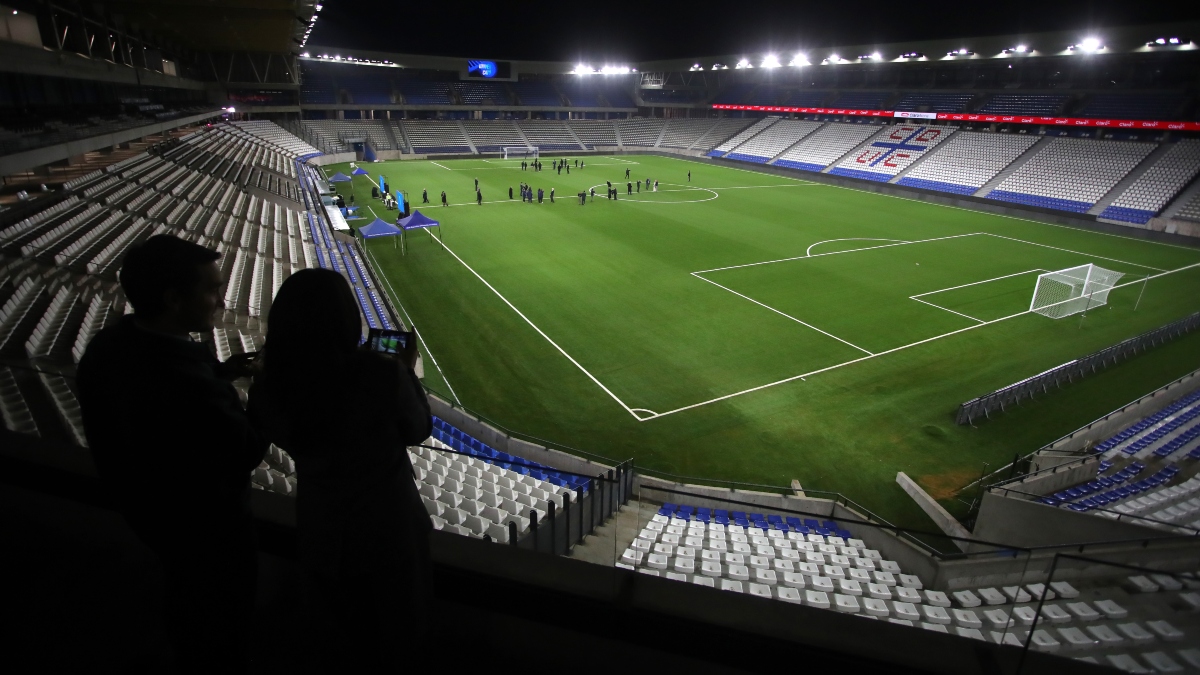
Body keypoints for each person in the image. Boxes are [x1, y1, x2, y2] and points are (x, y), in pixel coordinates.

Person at [77, 235, 267, 674]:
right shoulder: (181, 378)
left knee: (186, 604)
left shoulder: (109, 347)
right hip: (205, 529)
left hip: (147, 514)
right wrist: (264, 389)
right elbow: (247, 447)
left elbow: (157, 398)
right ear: (172, 299)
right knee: (220, 626)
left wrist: (224, 371)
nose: (221, 300)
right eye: (211, 290)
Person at [248, 269, 432, 672]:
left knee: (339, 639)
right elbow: (418, 429)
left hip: (321, 528)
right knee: (398, 637)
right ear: (345, 318)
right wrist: (404, 372)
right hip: (390, 530)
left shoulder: (270, 386)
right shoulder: (379, 374)